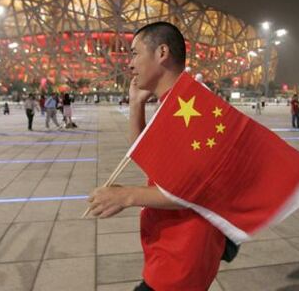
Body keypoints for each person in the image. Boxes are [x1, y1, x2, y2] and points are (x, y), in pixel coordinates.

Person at [87, 22, 227, 291]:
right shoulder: (175, 102)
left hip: (182, 255)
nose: (129, 63)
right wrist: (136, 103)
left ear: (161, 53)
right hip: (170, 248)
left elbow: (191, 189)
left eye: (134, 53)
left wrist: (126, 195)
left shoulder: (194, 106)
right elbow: (147, 158)